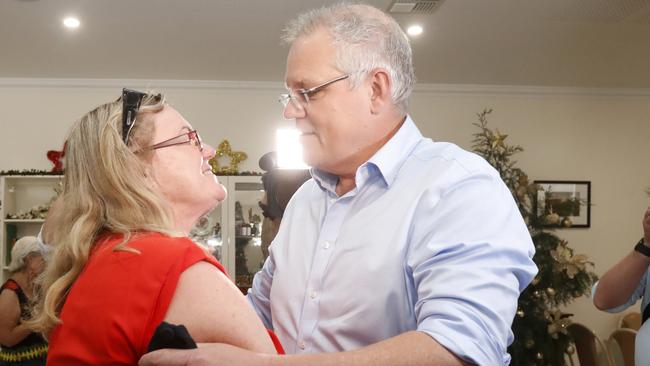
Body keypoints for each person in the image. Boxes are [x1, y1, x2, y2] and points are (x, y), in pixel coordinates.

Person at [140, 3, 537, 366]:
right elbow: (257, 313)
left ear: (376, 89)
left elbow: (457, 349)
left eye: (307, 92)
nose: (289, 110)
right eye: (289, 94)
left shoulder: (460, 187)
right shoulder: (304, 202)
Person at [28, 89, 282, 365]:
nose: (209, 151)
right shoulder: (170, 264)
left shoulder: (109, 254)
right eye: (189, 138)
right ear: (136, 167)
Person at [0, 236, 48, 365]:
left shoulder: (36, 287)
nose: (46, 261)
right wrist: (36, 322)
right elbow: (6, 339)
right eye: (42, 257)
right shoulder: (10, 292)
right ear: (29, 259)